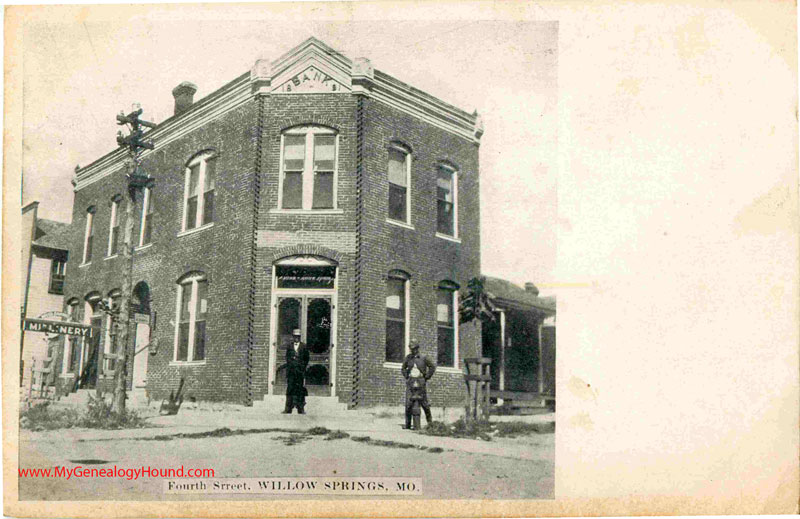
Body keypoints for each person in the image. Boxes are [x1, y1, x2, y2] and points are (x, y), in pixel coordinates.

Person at [401, 340, 436, 429]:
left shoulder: (424, 357)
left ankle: (430, 423)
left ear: (417, 348)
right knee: (408, 403)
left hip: (421, 381)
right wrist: (406, 376)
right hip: (411, 381)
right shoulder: (408, 358)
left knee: (424, 402)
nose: (413, 351)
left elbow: (432, 367)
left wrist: (426, 377)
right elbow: (403, 368)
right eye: (411, 349)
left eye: (414, 349)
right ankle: (408, 424)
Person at [283, 328, 309, 414]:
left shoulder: (304, 346)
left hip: (300, 372)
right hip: (291, 372)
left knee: (300, 390)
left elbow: (306, 359)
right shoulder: (289, 346)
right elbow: (287, 358)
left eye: (298, 337)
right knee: (290, 389)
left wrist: (302, 368)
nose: (296, 338)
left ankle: (300, 409)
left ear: (300, 337)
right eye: (295, 336)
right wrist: (291, 365)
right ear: (293, 337)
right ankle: (288, 408)